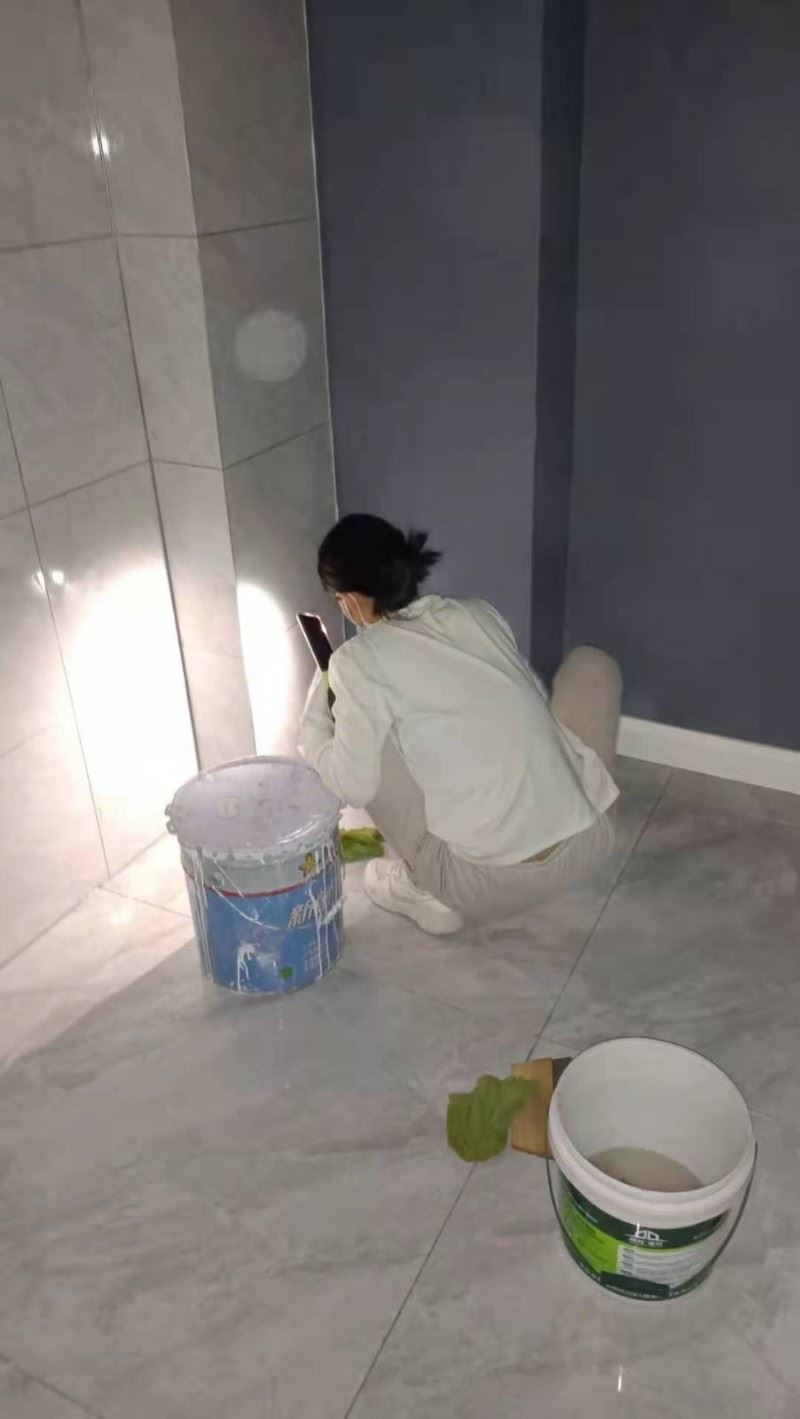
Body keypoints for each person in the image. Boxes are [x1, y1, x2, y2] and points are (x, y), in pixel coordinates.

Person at [299, 513, 621, 936]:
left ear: (353, 601)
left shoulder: (357, 662)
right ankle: (558, 813)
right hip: (591, 846)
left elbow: (351, 785)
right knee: (591, 666)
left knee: (368, 745)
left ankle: (423, 891)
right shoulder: (477, 613)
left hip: (488, 887)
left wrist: (315, 722)